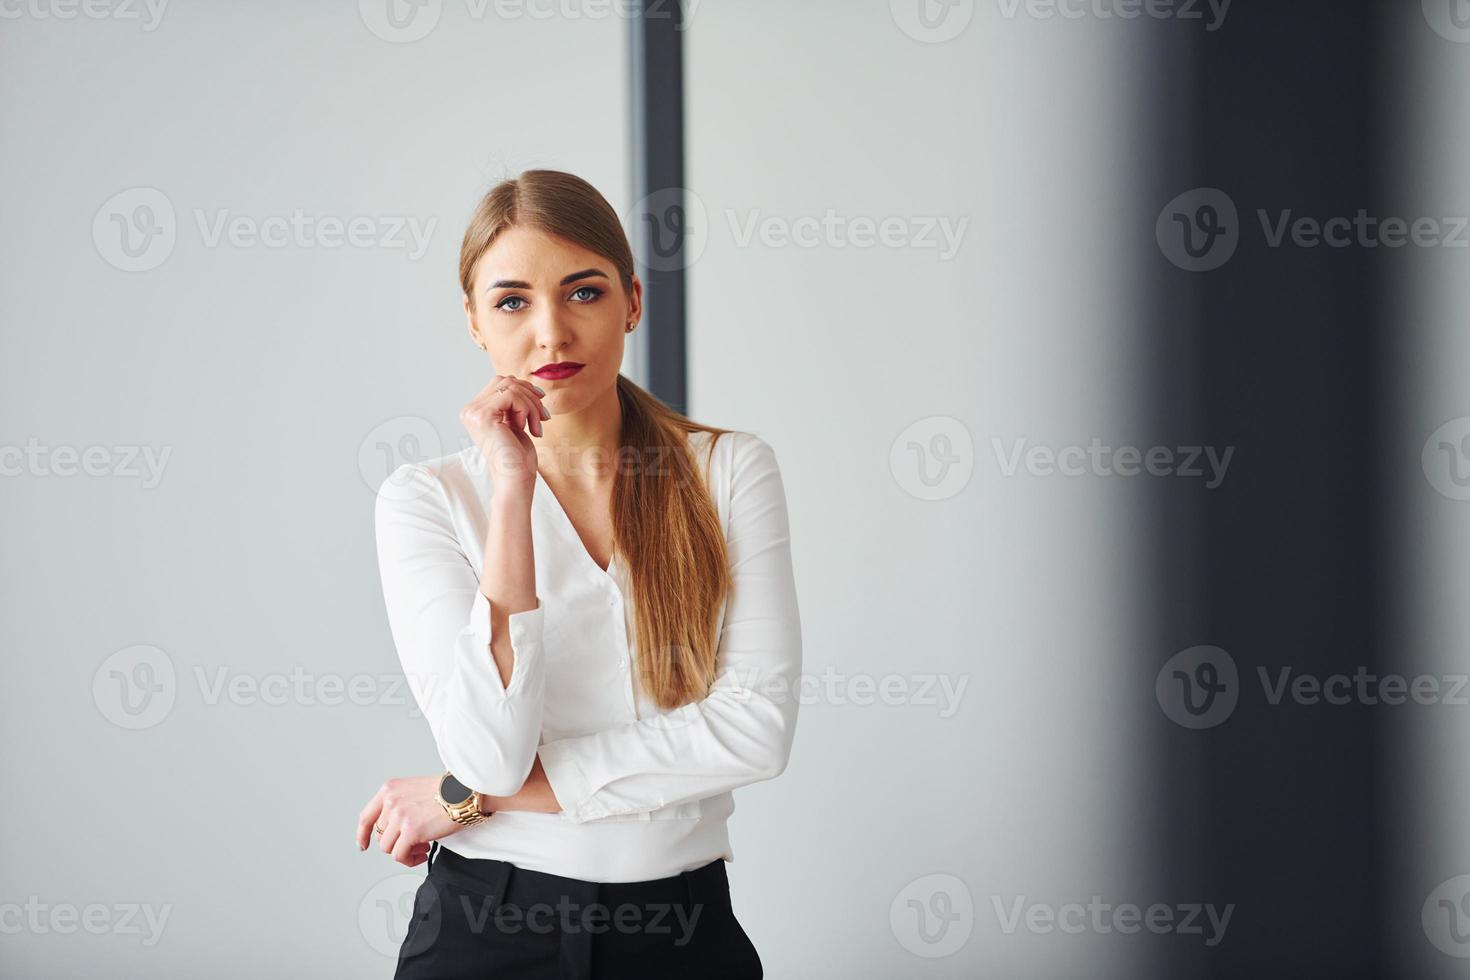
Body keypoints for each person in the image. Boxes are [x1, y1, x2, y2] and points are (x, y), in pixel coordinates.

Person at [353, 169, 802, 979]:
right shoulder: (427, 499)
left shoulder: (728, 473)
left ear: (632, 300)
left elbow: (754, 731)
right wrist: (514, 489)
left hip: (681, 933)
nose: (552, 333)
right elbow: (489, 755)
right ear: (475, 322)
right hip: (486, 930)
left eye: (583, 293)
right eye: (514, 301)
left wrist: (469, 799)